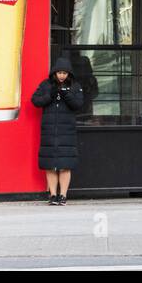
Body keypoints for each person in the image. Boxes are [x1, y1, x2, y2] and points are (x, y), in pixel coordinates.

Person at [31, 56, 84, 205]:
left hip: (66, 131)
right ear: (54, 73)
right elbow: (35, 100)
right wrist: (50, 95)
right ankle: (53, 195)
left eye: (65, 73)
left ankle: (63, 195)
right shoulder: (46, 85)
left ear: (69, 74)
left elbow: (78, 104)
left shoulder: (75, 86)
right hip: (49, 131)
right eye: (59, 73)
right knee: (50, 165)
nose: (62, 76)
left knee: (65, 165)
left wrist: (66, 95)